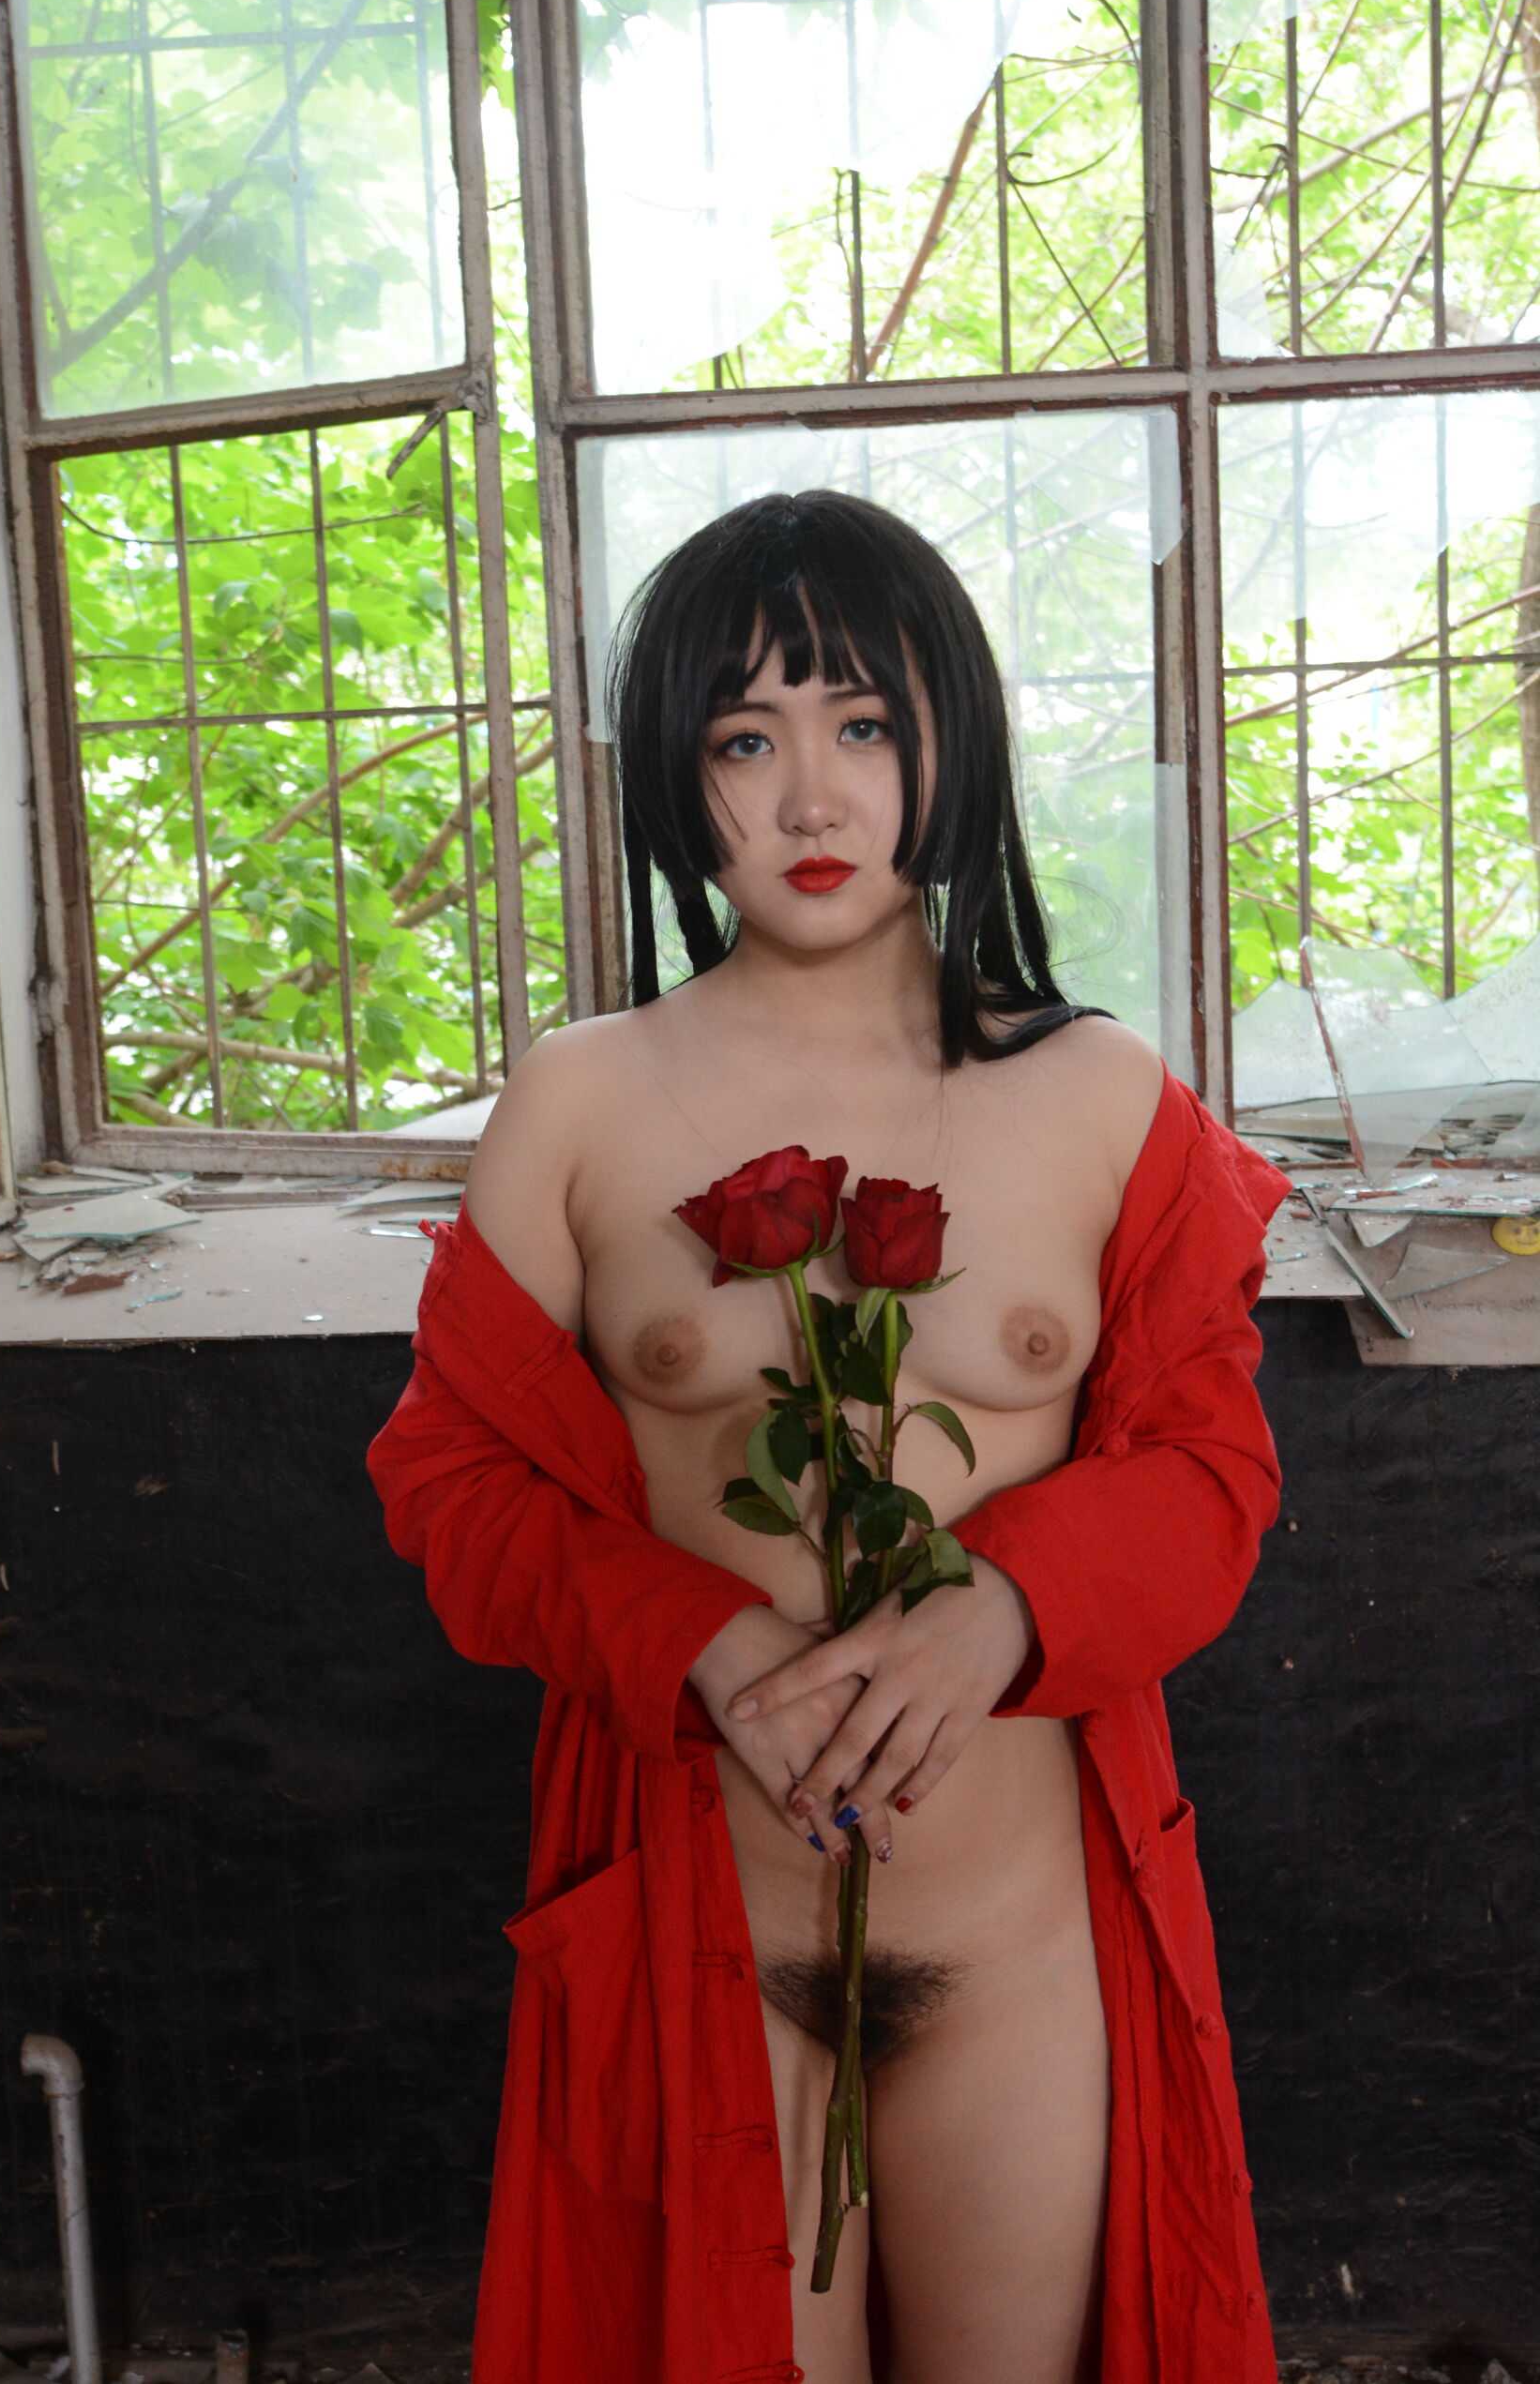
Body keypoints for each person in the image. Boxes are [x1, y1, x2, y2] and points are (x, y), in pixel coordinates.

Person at [367, 487, 1291, 2384]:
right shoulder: (577, 1103)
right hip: (710, 1930)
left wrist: (1001, 1612)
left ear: (951, 743)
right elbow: (450, 1483)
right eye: (744, 739)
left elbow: (1212, 1478)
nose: (810, 795)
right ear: (675, 777)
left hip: (1020, 1950)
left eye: (863, 724)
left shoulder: (1106, 1095)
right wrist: (699, 1639)